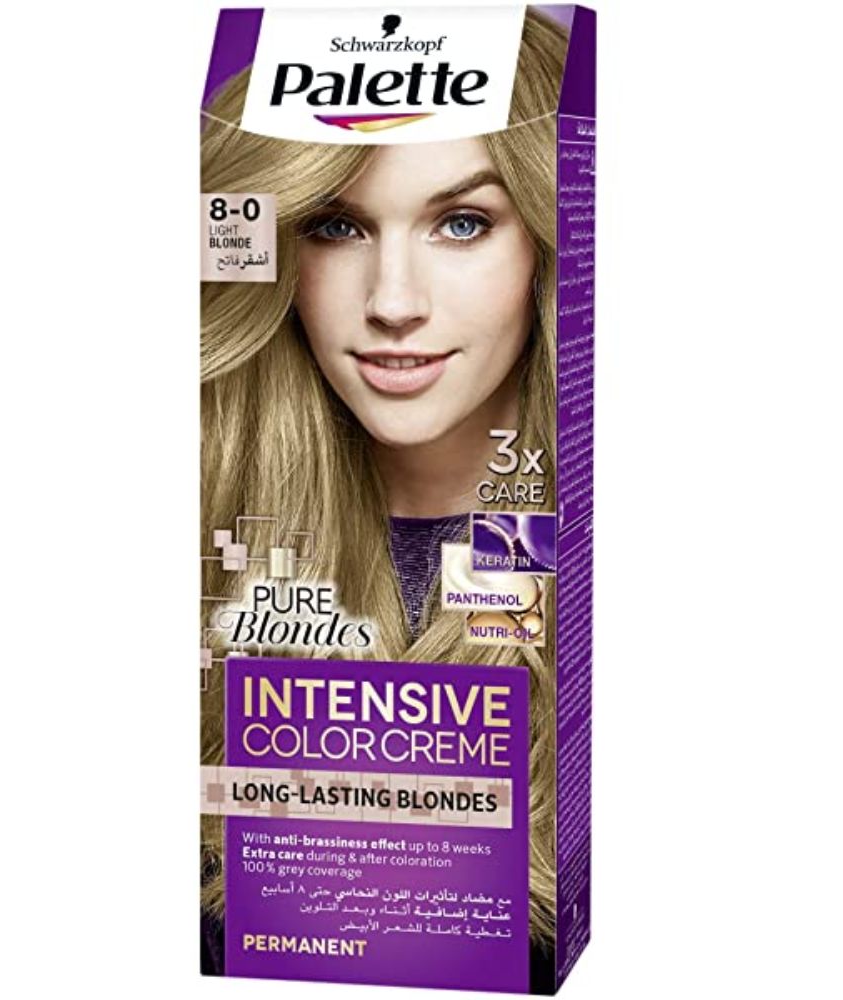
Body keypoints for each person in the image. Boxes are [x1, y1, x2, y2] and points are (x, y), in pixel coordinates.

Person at [201, 10, 567, 985]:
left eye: (462, 223)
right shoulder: (204, 537)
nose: (393, 302)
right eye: (336, 226)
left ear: (544, 237)